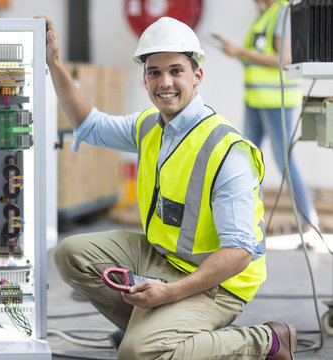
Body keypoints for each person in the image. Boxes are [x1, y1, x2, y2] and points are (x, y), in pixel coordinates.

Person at [40, 15, 297, 360]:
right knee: (70, 254)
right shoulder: (150, 125)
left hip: (220, 283)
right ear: (145, 79)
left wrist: (172, 293)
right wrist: (54, 62)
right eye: (154, 72)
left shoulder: (227, 151)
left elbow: (238, 253)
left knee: (136, 354)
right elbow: (89, 124)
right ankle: (155, 329)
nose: (165, 82)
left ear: (197, 76)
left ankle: (265, 341)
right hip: (165, 257)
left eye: (176, 70)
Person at [212, 0, 320, 239]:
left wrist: (242, 51)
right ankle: (250, 219)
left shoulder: (282, 12)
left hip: (276, 100)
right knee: (247, 159)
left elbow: (285, 59)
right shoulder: (264, 14)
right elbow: (260, 56)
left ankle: (309, 221)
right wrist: (237, 52)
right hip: (256, 99)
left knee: (284, 160)